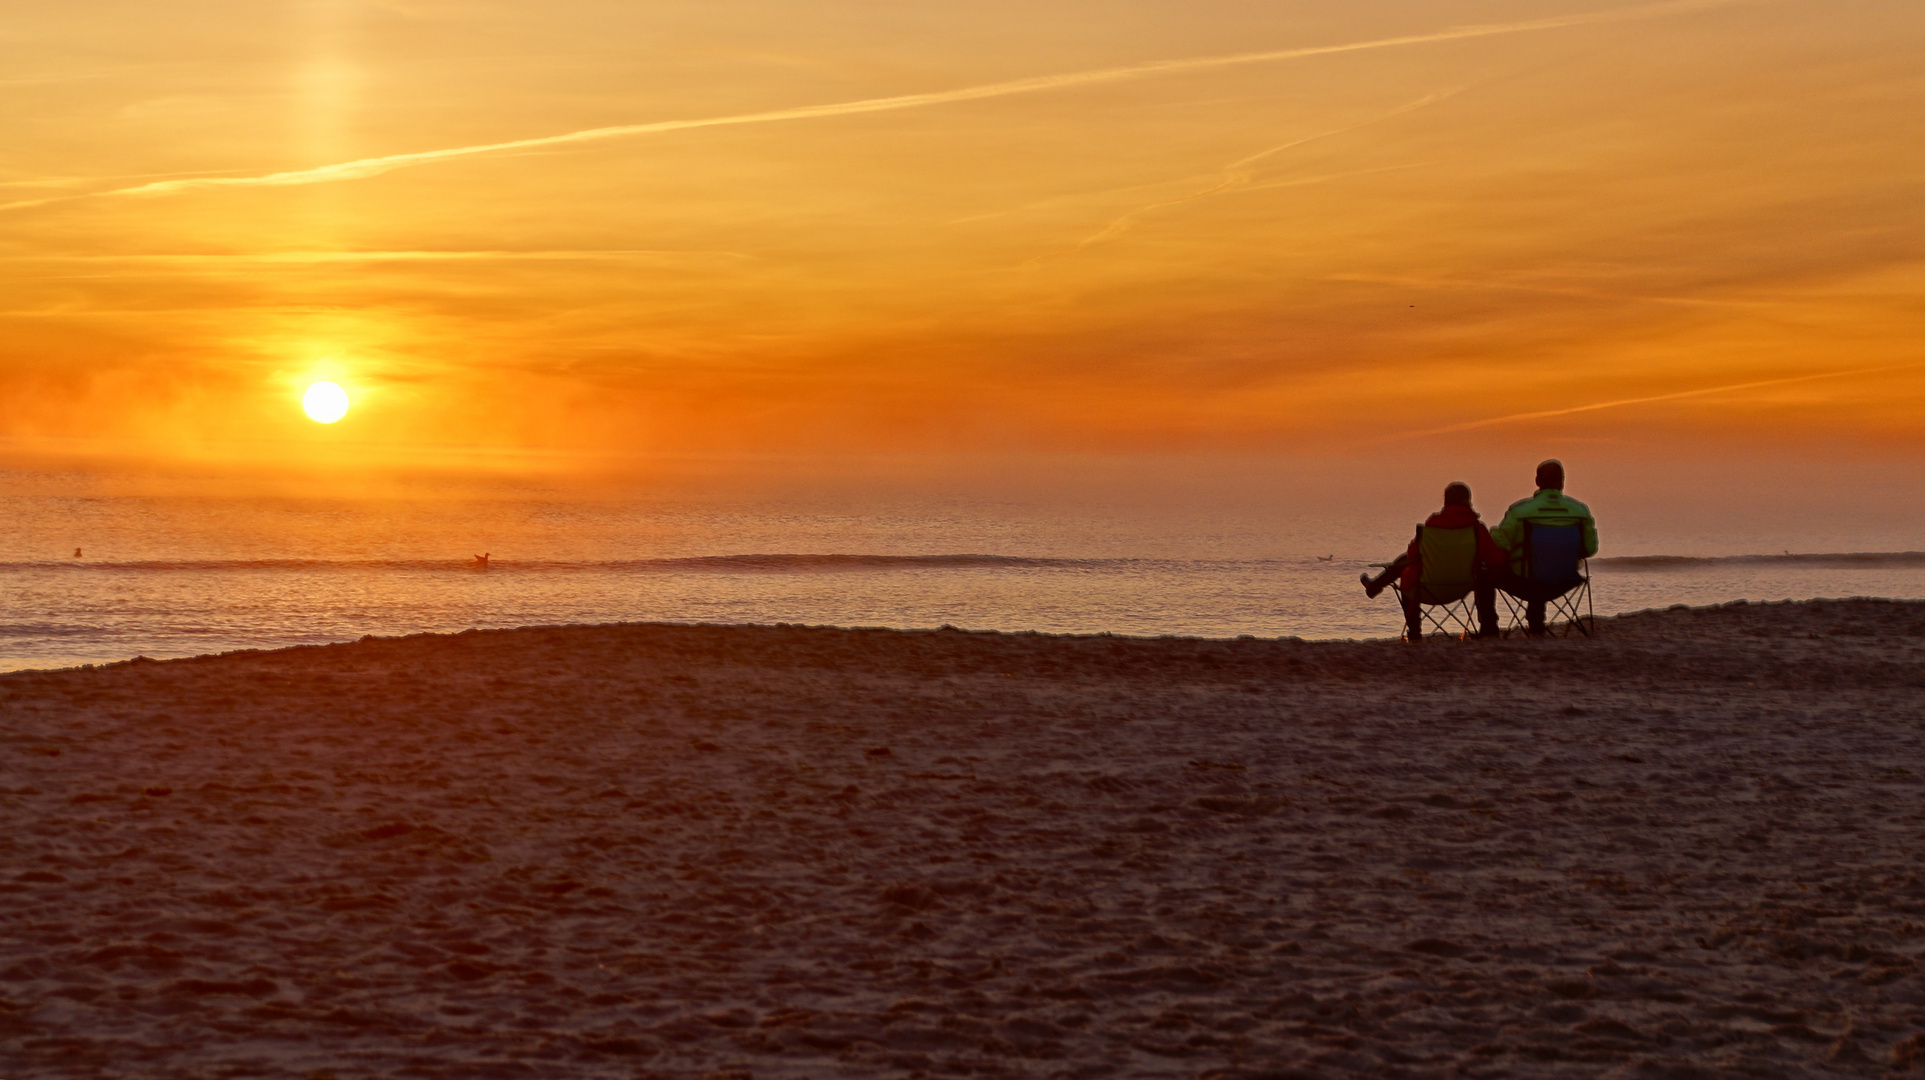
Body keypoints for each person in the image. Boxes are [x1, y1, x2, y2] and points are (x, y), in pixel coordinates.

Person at [1361, 481, 1507, 640]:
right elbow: (1495, 559)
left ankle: (1414, 632)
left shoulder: (1433, 525)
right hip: (1464, 586)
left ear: (1445, 501)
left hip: (1429, 587)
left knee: (1407, 569)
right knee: (1485, 575)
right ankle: (1489, 628)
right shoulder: (1477, 529)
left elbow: (1412, 554)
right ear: (1468, 501)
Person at [1489, 459, 1599, 635]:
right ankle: (1536, 624)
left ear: (1537, 482)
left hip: (1527, 581)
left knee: (1487, 573)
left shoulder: (1520, 511)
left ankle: (1489, 629)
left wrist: (1494, 535)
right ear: (1562, 481)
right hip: (1564, 578)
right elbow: (1590, 549)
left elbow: (1501, 543)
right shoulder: (1580, 511)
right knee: (1540, 565)